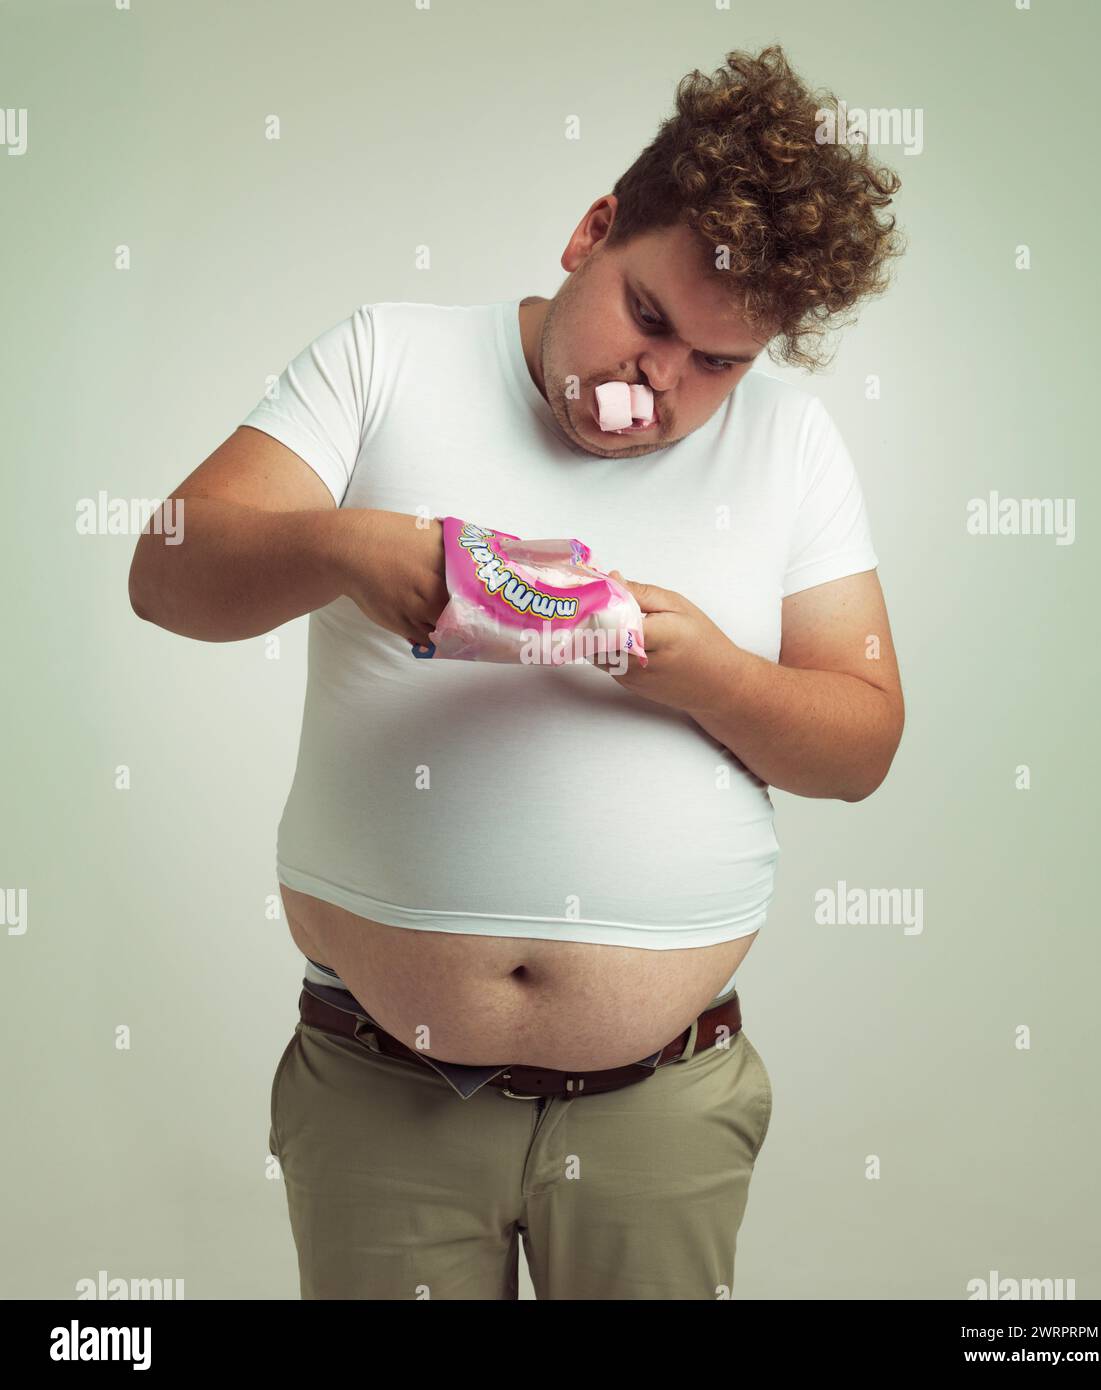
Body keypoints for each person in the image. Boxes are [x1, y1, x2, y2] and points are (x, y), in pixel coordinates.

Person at [128, 44, 906, 1300]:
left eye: (718, 363)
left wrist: (706, 673)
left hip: (664, 1106)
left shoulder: (793, 447)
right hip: (380, 1092)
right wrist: (346, 548)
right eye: (649, 319)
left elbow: (863, 744)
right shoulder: (386, 357)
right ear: (591, 228)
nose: (659, 388)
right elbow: (164, 569)